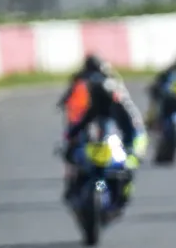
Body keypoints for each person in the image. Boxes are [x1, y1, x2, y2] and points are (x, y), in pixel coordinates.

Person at [61, 72, 147, 205]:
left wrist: (131, 149)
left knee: (127, 170)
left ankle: (122, 194)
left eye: (103, 96)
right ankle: (74, 190)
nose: (101, 100)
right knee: (75, 162)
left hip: (114, 149)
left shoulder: (121, 110)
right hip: (95, 149)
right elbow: (79, 126)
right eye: (98, 96)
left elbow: (131, 130)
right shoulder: (93, 110)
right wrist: (71, 139)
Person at [57, 54, 122, 127]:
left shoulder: (81, 76)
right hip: (91, 108)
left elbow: (70, 91)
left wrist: (62, 102)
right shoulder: (103, 76)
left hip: (90, 108)